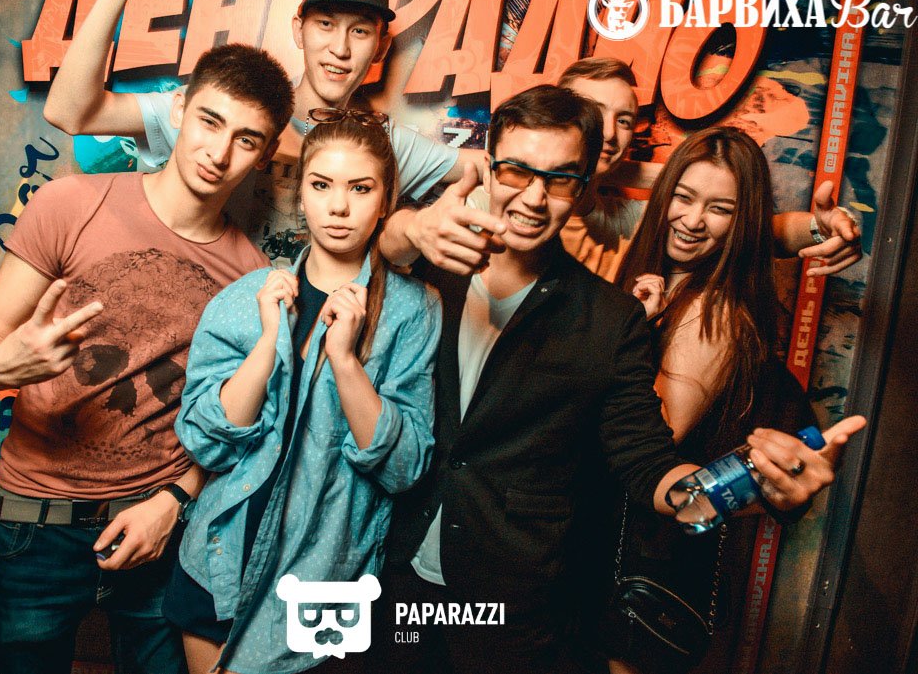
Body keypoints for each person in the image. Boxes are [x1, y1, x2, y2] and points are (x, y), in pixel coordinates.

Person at [367, 85, 865, 673]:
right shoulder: (434, 258)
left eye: (559, 179)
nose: (533, 197)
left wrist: (748, 484)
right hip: (393, 573)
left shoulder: (610, 317)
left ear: (583, 188)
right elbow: (364, 251)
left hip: (510, 607)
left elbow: (649, 466)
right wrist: (408, 226)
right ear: (488, 166)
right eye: (517, 171)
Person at [0, 44, 294, 674]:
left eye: (246, 139)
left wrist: (173, 503)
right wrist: (2, 365)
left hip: (157, 531)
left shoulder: (249, 276)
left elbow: (233, 429)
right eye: (210, 121)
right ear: (179, 110)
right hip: (35, 528)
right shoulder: (69, 204)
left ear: (265, 154)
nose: (219, 152)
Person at [167, 113, 441, 674]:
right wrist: (269, 341)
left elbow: (404, 468)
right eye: (321, 185)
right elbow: (206, 442)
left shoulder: (413, 310)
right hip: (221, 557)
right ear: (301, 195)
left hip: (325, 575)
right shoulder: (247, 298)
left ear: (385, 202)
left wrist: (345, 359)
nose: (338, 207)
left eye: (359, 189)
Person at [44, 0, 484, 266]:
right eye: (325, 24)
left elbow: (492, 167)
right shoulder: (234, 110)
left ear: (381, 46)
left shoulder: (383, 141)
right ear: (298, 30)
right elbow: (69, 113)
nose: (340, 49)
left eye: (360, 30)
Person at [604, 127, 824, 674]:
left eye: (720, 209)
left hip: (642, 564)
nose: (693, 220)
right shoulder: (660, 276)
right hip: (612, 552)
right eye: (683, 197)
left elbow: (654, 442)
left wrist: (633, 336)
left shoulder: (711, 312)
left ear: (740, 222)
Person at [384, 57, 861, 280]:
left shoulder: (620, 219)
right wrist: (412, 229)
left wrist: (819, 228)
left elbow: (744, 229)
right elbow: (392, 248)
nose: (608, 133)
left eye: (625, 120)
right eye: (593, 113)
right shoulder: (486, 199)